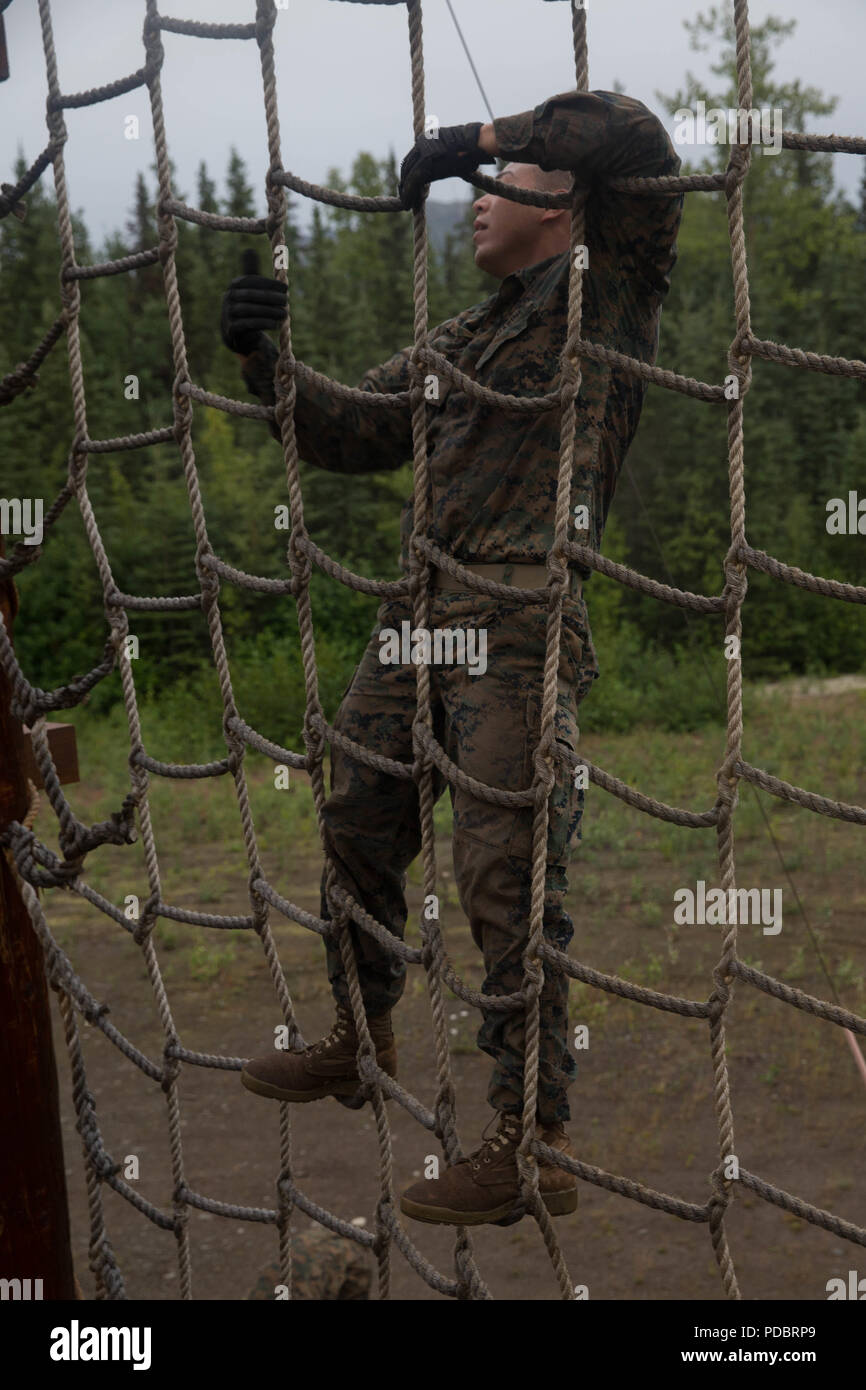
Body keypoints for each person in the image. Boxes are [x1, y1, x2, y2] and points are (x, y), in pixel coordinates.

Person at [223, 90, 682, 1227]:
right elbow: (345, 430)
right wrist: (261, 356)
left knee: (501, 876)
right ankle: (355, 1028)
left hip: (520, 617)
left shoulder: (608, 291)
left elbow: (631, 134)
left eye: (508, 188)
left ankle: (530, 1144)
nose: (477, 204)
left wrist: (476, 141)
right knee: (354, 814)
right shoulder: (459, 340)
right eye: (480, 187)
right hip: (421, 611)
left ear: (569, 210)